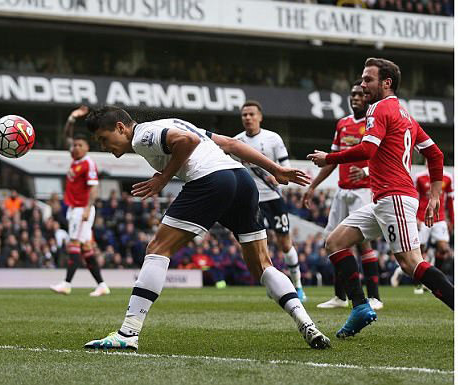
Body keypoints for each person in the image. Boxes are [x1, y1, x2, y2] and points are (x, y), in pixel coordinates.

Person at [83, 106, 330, 351]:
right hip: (242, 179)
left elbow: (186, 141)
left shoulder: (141, 136)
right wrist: (274, 169)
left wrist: (164, 177)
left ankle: (128, 333)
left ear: (120, 128)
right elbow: (230, 145)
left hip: (211, 180)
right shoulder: (171, 122)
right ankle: (307, 324)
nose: (104, 147)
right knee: (262, 265)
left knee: (158, 249)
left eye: (104, 140)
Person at [308, 57, 453, 339]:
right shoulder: (405, 115)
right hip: (383, 200)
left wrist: (331, 157)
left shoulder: (379, 108)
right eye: (362, 80)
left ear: (386, 83)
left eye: (368, 80)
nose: (363, 85)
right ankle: (360, 307)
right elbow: (435, 154)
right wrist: (434, 195)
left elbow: (367, 150)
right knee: (335, 242)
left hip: (395, 197)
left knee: (411, 264)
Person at [302, 81, 383, 310]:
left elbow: (382, 155)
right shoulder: (343, 124)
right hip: (342, 189)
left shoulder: (373, 123)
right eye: (353, 94)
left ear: (367, 98)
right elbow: (333, 159)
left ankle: (375, 297)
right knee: (332, 240)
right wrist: (313, 186)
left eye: (360, 94)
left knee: (363, 242)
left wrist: (366, 171)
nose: (355, 98)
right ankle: (340, 297)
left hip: (364, 190)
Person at [234, 101, 306, 301]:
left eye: (251, 114)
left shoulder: (273, 138)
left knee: (284, 243)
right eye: (244, 115)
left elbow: (286, 166)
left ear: (260, 117)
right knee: (259, 247)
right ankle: (274, 285)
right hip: (251, 201)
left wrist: (277, 177)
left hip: (273, 198)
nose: (247, 118)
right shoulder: (235, 142)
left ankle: (298, 286)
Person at [50, 106, 110, 297]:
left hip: (81, 209)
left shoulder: (88, 163)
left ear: (87, 148)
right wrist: (72, 118)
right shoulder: (75, 161)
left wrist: (87, 208)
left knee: (73, 245)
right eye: (74, 145)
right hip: (74, 208)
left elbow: (94, 187)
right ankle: (101, 285)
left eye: (79, 145)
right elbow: (67, 135)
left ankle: (67, 283)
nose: (75, 147)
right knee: (86, 249)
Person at [391, 168, 453, 293]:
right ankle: (417, 283)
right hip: (422, 218)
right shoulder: (419, 177)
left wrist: (452, 220)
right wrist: (414, 217)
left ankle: (436, 282)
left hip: (439, 218)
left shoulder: (448, 177)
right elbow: (414, 196)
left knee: (444, 249)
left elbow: (450, 200)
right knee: (419, 252)